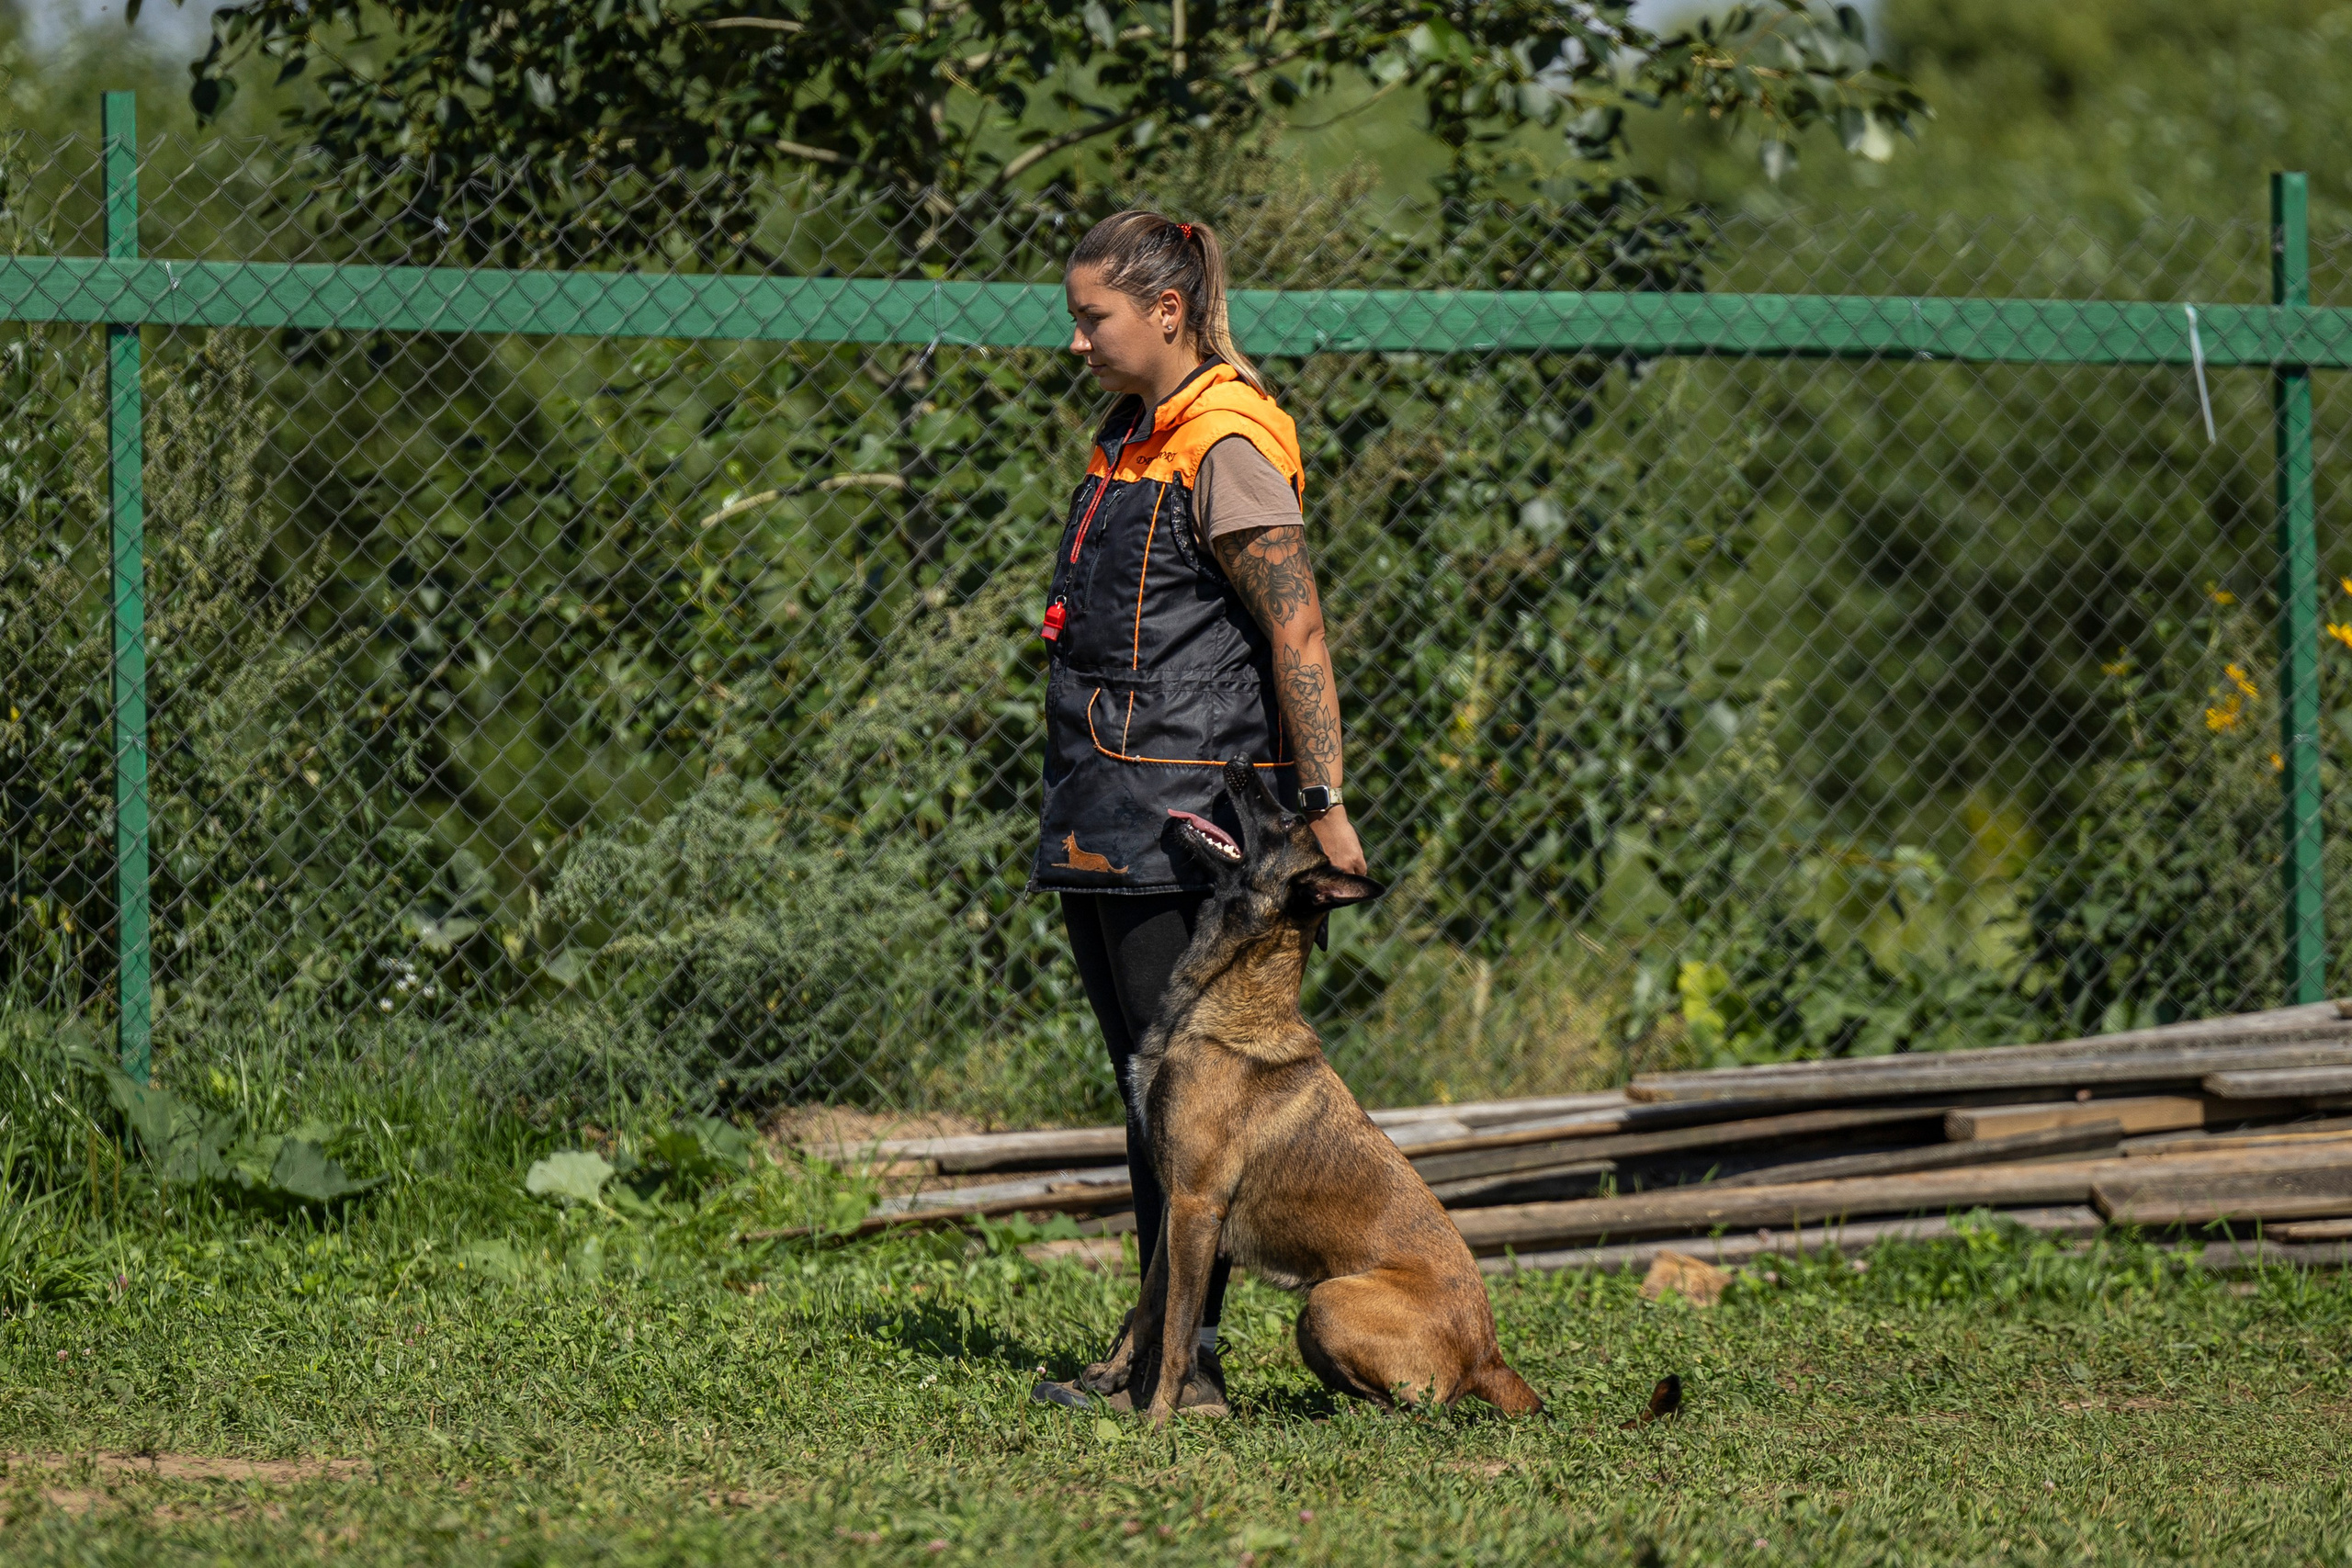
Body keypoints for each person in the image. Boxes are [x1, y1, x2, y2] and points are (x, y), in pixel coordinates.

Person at [1027, 210, 1365, 1416]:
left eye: (1093, 319)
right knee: (1145, 1091)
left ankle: (1188, 1373)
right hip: (1104, 801)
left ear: (1166, 312)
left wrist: (1324, 802)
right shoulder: (1132, 436)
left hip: (1195, 821)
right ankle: (1152, 1352)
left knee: (1192, 1108)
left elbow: (1298, 630)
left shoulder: (1225, 440)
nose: (1077, 344)